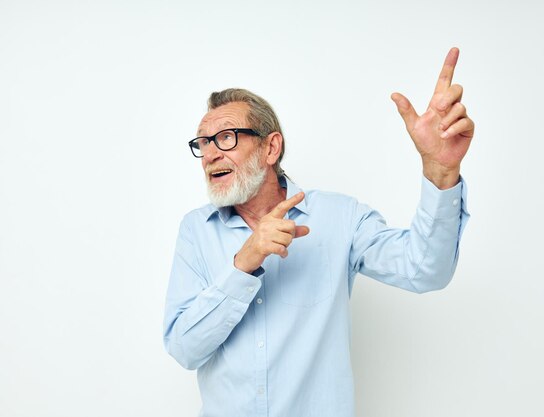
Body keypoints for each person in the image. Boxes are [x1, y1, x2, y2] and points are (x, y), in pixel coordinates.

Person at [163, 47, 474, 417]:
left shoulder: (339, 217)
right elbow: (184, 349)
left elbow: (425, 270)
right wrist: (242, 265)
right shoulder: (196, 230)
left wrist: (440, 173)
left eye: (226, 137)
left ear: (270, 147)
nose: (211, 153)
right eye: (203, 142)